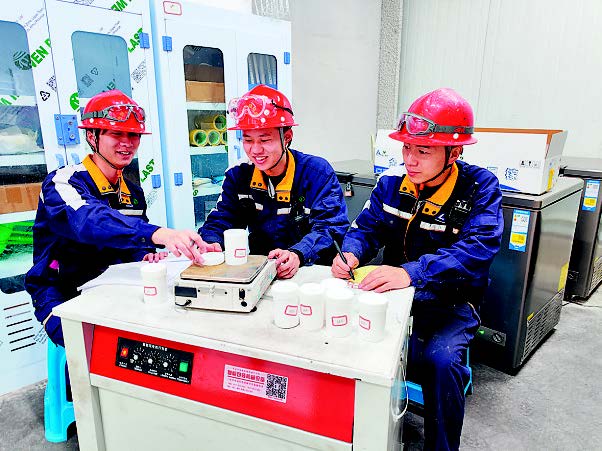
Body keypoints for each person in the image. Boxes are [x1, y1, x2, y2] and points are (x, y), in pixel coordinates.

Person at [332, 88, 503, 450]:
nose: (410, 159)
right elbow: (366, 229)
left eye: (423, 150)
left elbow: (479, 248)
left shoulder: (480, 188)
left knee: (440, 362)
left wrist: (412, 272)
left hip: (452, 302)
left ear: (454, 152)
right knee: (347, 339)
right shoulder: (392, 183)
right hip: (395, 295)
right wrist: (351, 253)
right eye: (406, 148)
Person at [25, 90, 209, 347]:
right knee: (88, 353)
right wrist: (159, 233)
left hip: (112, 284)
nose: (127, 143)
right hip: (60, 291)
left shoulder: (132, 191)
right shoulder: (63, 182)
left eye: (133, 135)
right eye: (116, 134)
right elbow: (88, 221)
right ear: (92, 136)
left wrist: (146, 254)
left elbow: (131, 243)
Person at [198, 85, 349, 279]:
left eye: (265, 139)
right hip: (261, 272)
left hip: (312, 274)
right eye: (248, 140)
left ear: (287, 138)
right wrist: (211, 242)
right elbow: (222, 219)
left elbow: (331, 227)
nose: (255, 150)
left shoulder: (316, 174)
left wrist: (298, 253)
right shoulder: (239, 176)